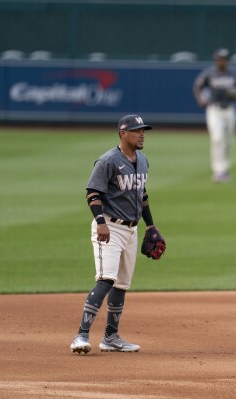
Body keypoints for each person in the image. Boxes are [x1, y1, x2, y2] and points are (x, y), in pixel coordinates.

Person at [70, 114, 164, 354]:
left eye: (144, 130)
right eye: (137, 130)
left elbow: (141, 195)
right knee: (106, 279)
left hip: (131, 230)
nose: (142, 134)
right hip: (109, 228)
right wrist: (100, 222)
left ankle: (111, 337)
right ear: (123, 133)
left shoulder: (142, 160)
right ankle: (81, 336)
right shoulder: (108, 161)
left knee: (121, 284)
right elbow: (92, 193)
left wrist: (150, 226)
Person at [193, 48, 236, 183]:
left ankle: (225, 168)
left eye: (223, 59)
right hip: (214, 109)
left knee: (228, 141)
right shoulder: (210, 73)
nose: (220, 61)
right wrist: (201, 99)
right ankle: (218, 170)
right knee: (217, 138)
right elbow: (198, 86)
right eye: (218, 59)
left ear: (227, 60)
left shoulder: (235, 73)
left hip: (229, 109)